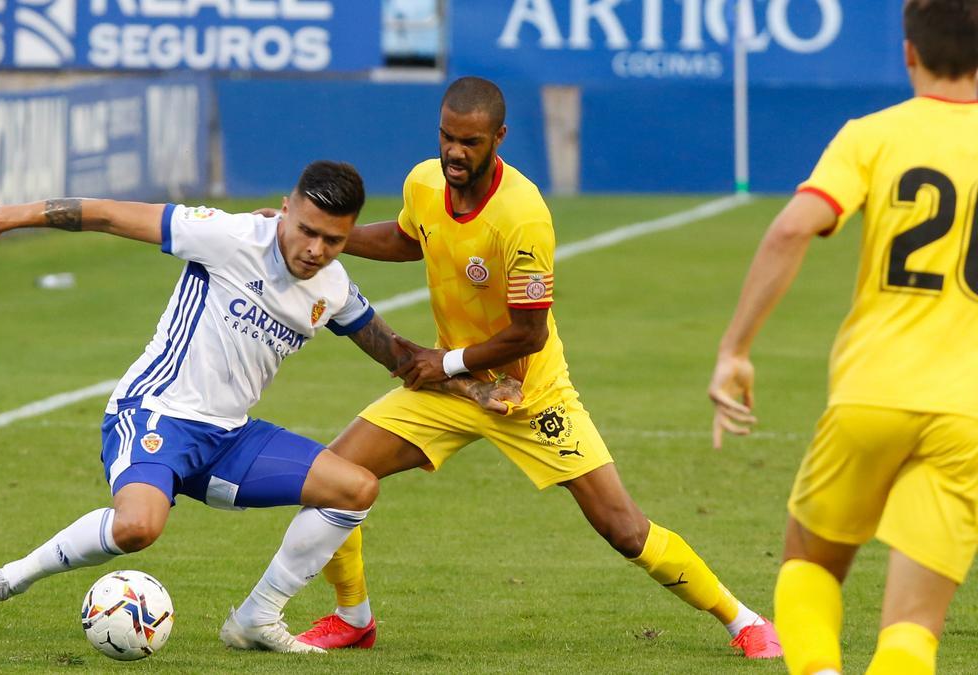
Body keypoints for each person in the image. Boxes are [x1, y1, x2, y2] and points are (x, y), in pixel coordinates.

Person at [267, 78, 781, 659]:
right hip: (451, 390)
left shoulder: (523, 214)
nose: (454, 152)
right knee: (331, 477)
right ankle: (353, 617)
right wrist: (329, 237)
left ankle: (742, 619)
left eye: (470, 141)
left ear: (499, 138)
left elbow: (529, 333)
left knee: (624, 529)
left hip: (530, 396)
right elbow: (410, 239)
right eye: (446, 137)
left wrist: (446, 361)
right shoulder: (423, 181)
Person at [0, 160, 520, 654]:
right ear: (285, 210)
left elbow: (397, 355)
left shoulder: (333, 287)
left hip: (231, 440)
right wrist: (3, 218)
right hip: (157, 414)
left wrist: (477, 389)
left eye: (334, 240)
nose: (316, 250)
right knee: (140, 527)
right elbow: (110, 214)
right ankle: (8, 579)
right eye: (307, 231)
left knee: (355, 488)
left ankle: (256, 619)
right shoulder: (226, 235)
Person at [709, 3, 978, 674]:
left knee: (810, 563)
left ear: (908, 52)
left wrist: (734, 350)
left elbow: (793, 228)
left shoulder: (874, 135)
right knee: (914, 626)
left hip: (873, 392)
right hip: (969, 413)